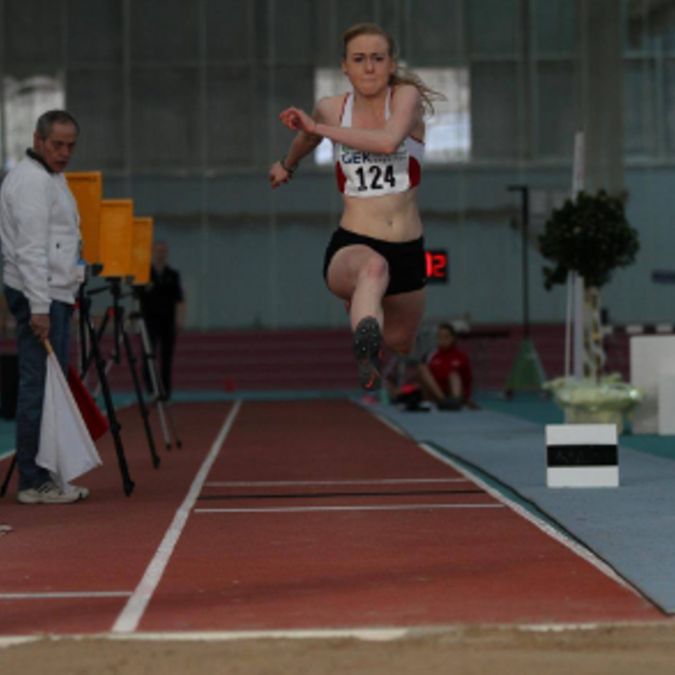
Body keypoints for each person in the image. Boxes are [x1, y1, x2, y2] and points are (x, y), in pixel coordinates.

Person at [269, 22, 442, 390]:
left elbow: (387, 142)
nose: (369, 67)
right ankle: (366, 347)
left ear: (391, 64)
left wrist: (319, 129)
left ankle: (364, 305)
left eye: (377, 58)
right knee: (373, 269)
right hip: (354, 242)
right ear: (345, 67)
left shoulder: (406, 99)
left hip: (408, 247)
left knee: (401, 342)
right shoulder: (331, 109)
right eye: (359, 59)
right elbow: (305, 139)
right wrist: (287, 164)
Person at [0, 109, 89, 504]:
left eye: (71, 146)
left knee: (50, 386)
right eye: (57, 145)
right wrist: (39, 307)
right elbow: (31, 251)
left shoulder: (51, 177)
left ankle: (46, 474)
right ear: (38, 140)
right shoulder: (32, 182)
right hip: (41, 296)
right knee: (38, 385)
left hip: (54, 292)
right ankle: (33, 481)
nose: (64, 153)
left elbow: (63, 238)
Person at [138, 241, 186, 400]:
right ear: (153, 253)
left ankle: (165, 393)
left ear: (167, 254)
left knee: (166, 358)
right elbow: (137, 298)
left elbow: (180, 300)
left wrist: (180, 320)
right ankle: (152, 390)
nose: (160, 254)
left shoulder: (173, 275)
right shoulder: (145, 274)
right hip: (149, 322)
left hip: (168, 322)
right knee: (148, 355)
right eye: (158, 251)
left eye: (163, 251)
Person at [417, 322, 477, 410]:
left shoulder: (461, 357)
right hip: (437, 395)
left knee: (454, 375)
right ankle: (442, 401)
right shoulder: (431, 355)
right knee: (422, 368)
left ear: (453, 338)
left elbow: (468, 380)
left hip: (455, 395)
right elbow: (424, 379)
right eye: (439, 337)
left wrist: (466, 398)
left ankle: (455, 402)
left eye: (446, 337)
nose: (442, 340)